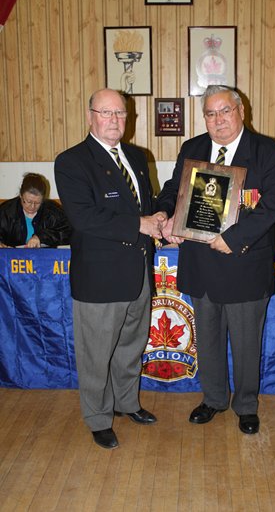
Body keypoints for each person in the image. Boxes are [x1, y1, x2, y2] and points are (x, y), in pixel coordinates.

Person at [156, 85, 275, 435]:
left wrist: (234, 239)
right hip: (200, 264)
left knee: (247, 343)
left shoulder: (268, 152)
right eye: (211, 114)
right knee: (209, 340)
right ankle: (213, 398)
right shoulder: (192, 148)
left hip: (243, 264)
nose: (218, 120)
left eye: (225, 111)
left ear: (241, 110)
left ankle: (246, 405)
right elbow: (174, 189)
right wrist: (165, 214)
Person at [54, 88, 166, 449]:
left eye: (120, 113)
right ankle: (98, 418)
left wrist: (161, 224)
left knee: (131, 346)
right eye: (106, 113)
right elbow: (85, 217)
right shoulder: (72, 161)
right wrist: (141, 225)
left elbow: (146, 206)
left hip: (137, 273)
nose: (115, 120)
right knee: (96, 354)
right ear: (90, 116)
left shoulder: (136, 155)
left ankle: (126, 403)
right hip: (99, 278)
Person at [0, 172, 71, 248]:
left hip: (45, 257)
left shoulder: (53, 211)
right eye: (28, 201)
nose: (32, 206)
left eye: (37, 203)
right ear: (20, 195)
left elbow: (68, 233)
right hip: (11, 258)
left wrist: (41, 237)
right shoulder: (6, 211)